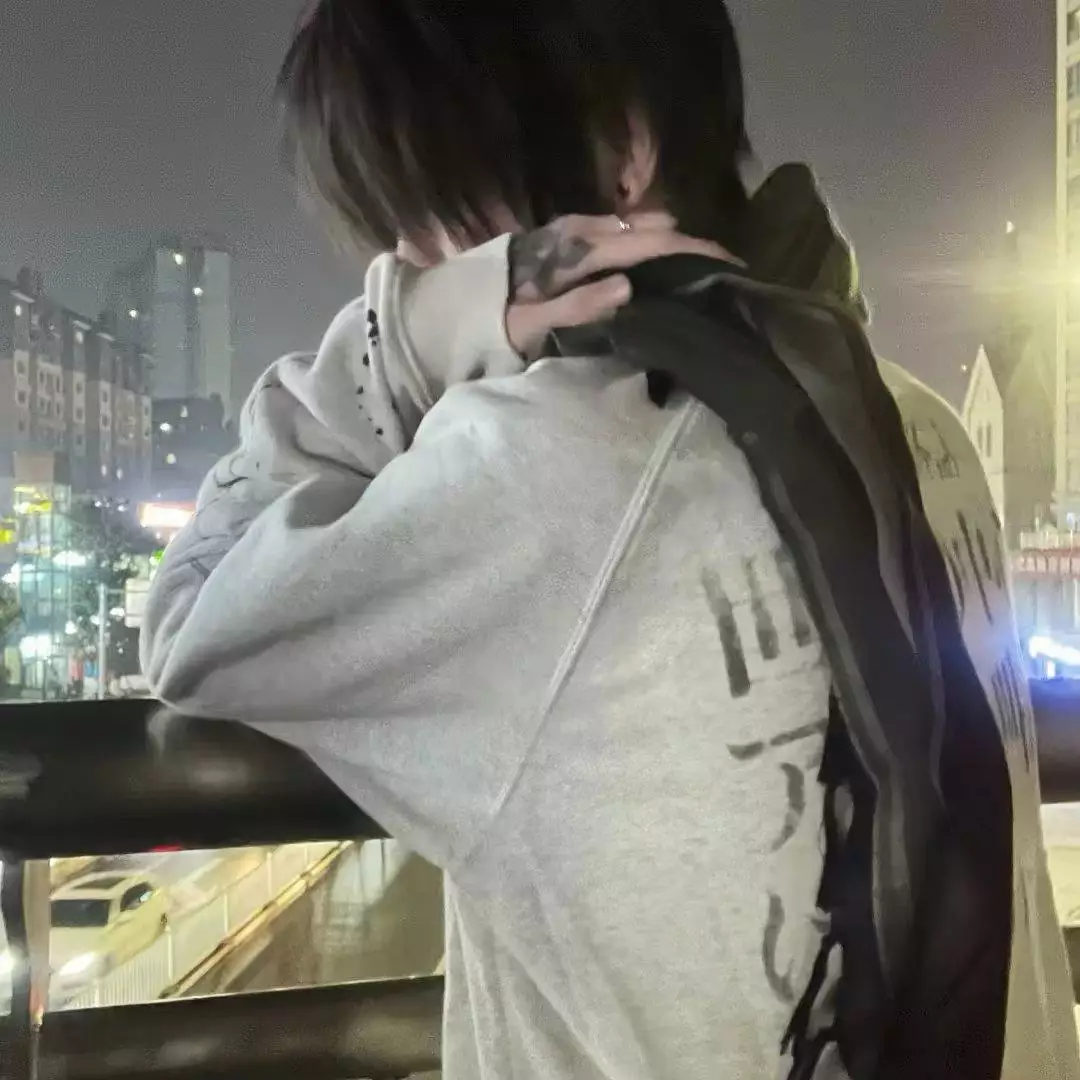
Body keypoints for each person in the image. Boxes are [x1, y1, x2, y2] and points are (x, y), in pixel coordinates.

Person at [141, 1, 1080, 1078]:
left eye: (431, 220)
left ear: (620, 149)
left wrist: (402, 340)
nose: (413, 262)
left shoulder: (542, 462)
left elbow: (192, 612)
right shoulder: (917, 422)